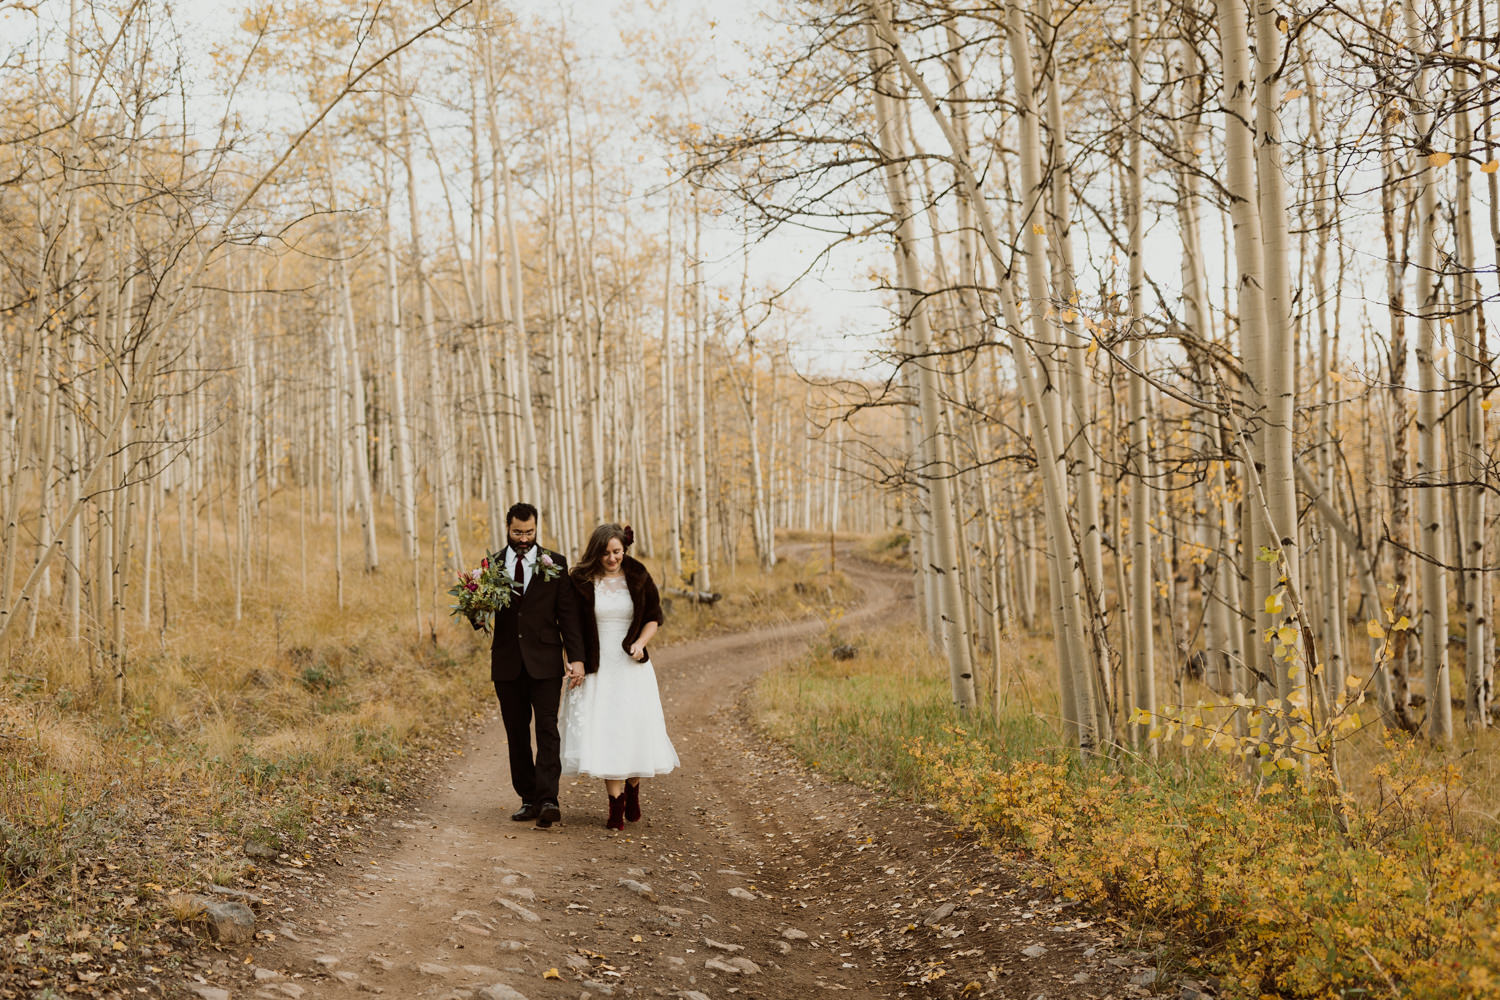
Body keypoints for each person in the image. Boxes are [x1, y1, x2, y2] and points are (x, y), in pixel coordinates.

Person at [560, 522, 679, 830]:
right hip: (599, 667)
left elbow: (654, 618)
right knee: (607, 731)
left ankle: (633, 787)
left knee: (634, 729)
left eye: (617, 552)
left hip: (631, 666)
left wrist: (640, 642)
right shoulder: (581, 580)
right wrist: (576, 661)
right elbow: (570, 625)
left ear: (624, 549)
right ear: (595, 552)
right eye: (606, 553)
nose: (612, 559)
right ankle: (615, 804)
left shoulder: (638, 575)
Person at [490, 502, 586, 829]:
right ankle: (528, 798)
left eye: (529, 532)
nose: (524, 538)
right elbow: (486, 614)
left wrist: (576, 659)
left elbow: (568, 615)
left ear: (536, 527)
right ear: (507, 528)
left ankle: (549, 799)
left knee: (547, 730)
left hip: (545, 662)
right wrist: (475, 611)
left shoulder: (555, 563)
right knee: (516, 733)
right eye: (518, 532)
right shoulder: (492, 565)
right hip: (506, 664)